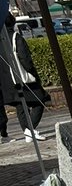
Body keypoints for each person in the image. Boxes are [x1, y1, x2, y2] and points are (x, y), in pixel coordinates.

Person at [0, 13, 50, 142]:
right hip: (22, 78)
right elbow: (25, 59)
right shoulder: (16, 37)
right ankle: (29, 129)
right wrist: (33, 73)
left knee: (20, 105)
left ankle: (28, 131)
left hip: (6, 81)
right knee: (40, 100)